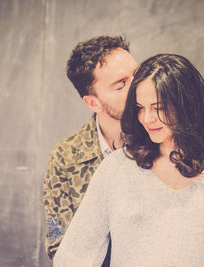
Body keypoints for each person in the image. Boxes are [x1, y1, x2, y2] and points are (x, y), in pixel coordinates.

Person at [53, 54, 204, 266]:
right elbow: (72, 257)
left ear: (187, 105)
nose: (147, 118)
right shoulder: (116, 169)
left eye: (159, 108)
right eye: (140, 108)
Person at [43, 35, 138, 265]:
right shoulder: (65, 158)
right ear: (93, 103)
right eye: (121, 84)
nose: (137, 87)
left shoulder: (163, 139)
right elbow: (59, 245)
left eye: (137, 74)